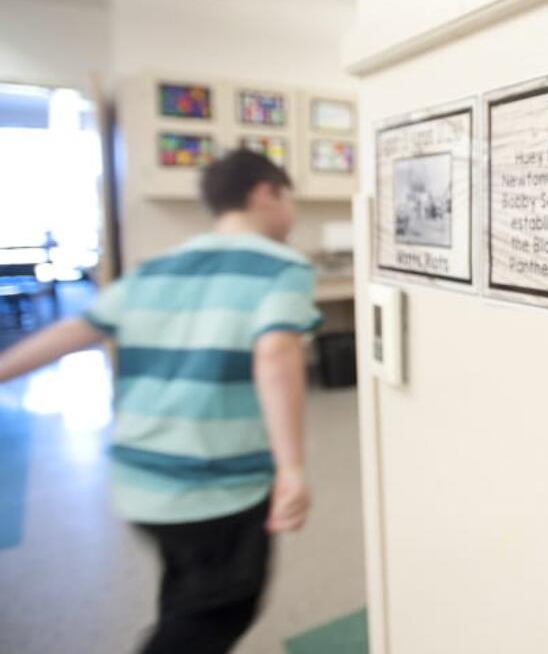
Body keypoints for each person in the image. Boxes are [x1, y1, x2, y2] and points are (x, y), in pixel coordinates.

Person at [0, 149, 321, 653]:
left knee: (187, 592)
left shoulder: (160, 267)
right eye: (290, 200)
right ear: (265, 193)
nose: (292, 215)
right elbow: (276, 353)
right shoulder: (281, 266)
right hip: (217, 483)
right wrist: (292, 468)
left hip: (141, 481)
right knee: (221, 610)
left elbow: (75, 330)